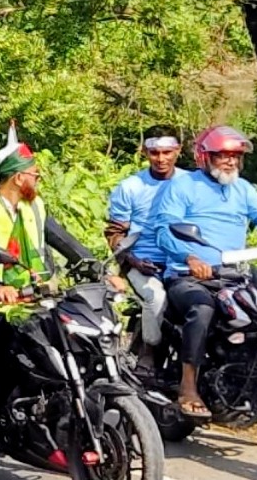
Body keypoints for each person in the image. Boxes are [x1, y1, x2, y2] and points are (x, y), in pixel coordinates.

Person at [0, 141, 102, 480]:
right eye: (34, 175)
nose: (38, 180)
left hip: (35, 302)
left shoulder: (35, 205)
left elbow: (64, 240)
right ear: (16, 178)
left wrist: (98, 268)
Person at [147, 126, 257, 420]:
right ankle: (188, 387)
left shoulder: (242, 189)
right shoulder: (182, 187)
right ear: (205, 157)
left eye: (235, 156)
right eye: (222, 156)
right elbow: (165, 229)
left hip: (233, 275)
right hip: (189, 276)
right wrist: (188, 256)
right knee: (201, 309)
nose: (230, 162)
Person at [108, 125, 180, 350]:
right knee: (156, 297)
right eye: (154, 153)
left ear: (178, 150)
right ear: (145, 152)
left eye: (167, 152)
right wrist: (134, 261)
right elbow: (115, 233)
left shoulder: (192, 184)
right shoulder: (130, 187)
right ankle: (149, 352)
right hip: (142, 264)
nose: (161, 159)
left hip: (181, 263)